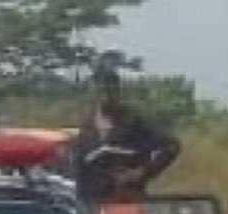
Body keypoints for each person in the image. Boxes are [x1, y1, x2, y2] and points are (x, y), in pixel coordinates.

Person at [74, 68, 181, 202]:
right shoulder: (86, 127)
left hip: (128, 198)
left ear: (117, 91)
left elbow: (171, 146)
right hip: (95, 201)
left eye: (109, 90)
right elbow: (81, 169)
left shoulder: (134, 120)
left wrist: (142, 172)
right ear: (93, 92)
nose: (105, 95)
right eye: (100, 90)